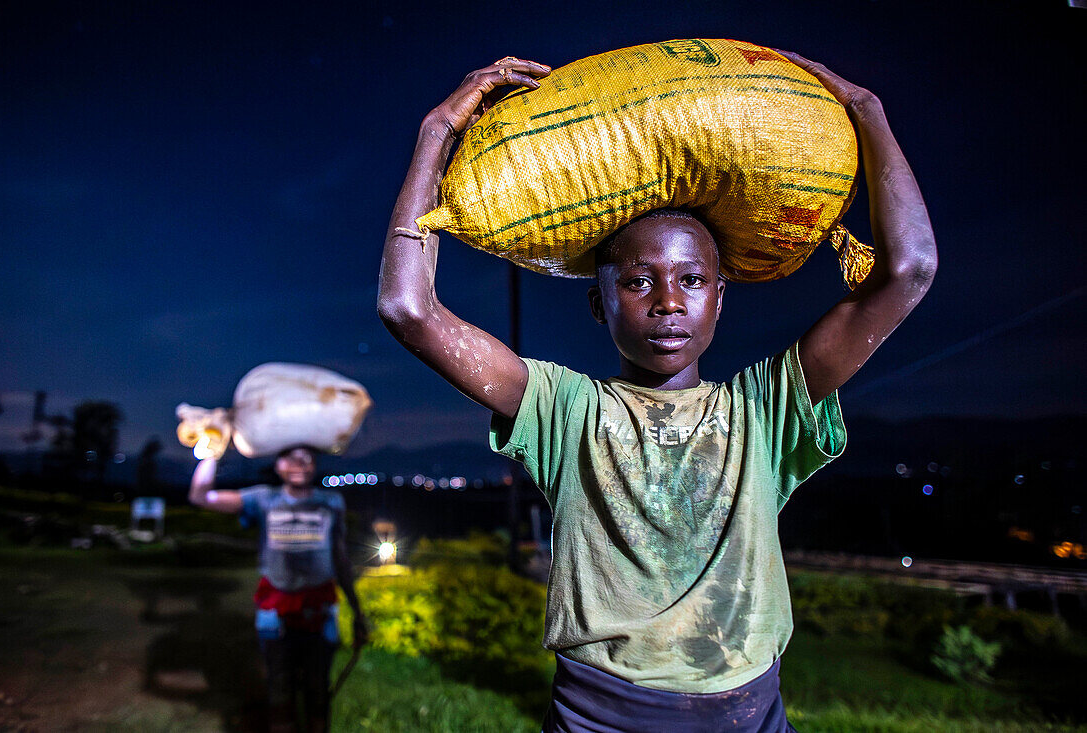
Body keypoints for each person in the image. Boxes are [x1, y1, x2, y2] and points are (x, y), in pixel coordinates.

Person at [378, 49, 936, 732]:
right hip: (598, 715)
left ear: (720, 299)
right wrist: (436, 131)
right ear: (599, 304)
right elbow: (408, 308)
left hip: (750, 714)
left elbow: (908, 270)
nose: (668, 302)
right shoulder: (566, 409)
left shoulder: (765, 408)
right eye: (639, 281)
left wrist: (867, 109)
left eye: (692, 280)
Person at [190, 446, 369, 733]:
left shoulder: (331, 502)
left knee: (318, 690)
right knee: (279, 688)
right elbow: (201, 496)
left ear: (315, 465)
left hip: (320, 611)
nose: (299, 463)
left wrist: (358, 611)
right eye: (290, 457)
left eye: (307, 458)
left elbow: (341, 558)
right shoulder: (263, 498)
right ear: (277, 465)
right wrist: (212, 451)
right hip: (274, 612)